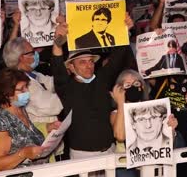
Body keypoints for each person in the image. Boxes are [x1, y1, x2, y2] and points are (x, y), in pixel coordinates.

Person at [50, 17, 133, 176]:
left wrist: (125, 30)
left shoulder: (102, 79)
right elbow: (57, 65)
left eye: (91, 61)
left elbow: (118, 56)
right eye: (82, 62)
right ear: (71, 67)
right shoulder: (66, 87)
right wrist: (58, 42)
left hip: (110, 152)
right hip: (82, 157)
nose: (89, 65)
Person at [2, 37, 63, 161]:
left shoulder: (33, 75)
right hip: (36, 143)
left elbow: (53, 83)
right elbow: (51, 106)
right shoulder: (20, 83)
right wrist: (71, 92)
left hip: (45, 139)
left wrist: (65, 73)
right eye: (32, 52)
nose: (36, 54)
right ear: (21, 57)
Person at [0, 68, 50, 172]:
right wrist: (23, 153)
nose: (27, 91)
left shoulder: (20, 110)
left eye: (26, 87)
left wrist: (48, 127)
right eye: (21, 89)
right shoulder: (1, 121)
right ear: (7, 93)